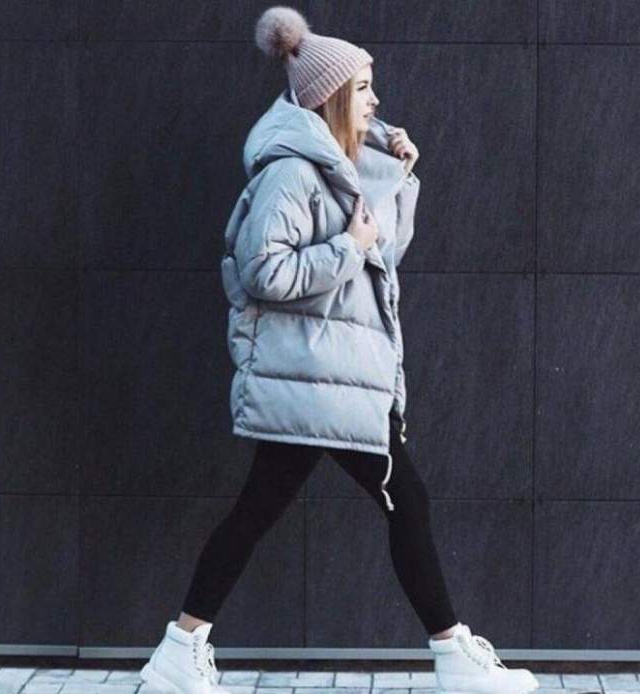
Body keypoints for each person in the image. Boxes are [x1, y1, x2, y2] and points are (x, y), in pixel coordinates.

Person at [140, 6, 539, 694]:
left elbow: (383, 256)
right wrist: (348, 246)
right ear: (329, 98)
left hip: (333, 375)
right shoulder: (290, 175)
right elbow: (264, 272)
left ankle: (180, 648)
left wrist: (401, 177)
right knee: (404, 499)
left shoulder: (341, 169)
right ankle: (452, 655)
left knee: (263, 510)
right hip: (318, 374)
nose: (376, 99)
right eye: (363, 88)